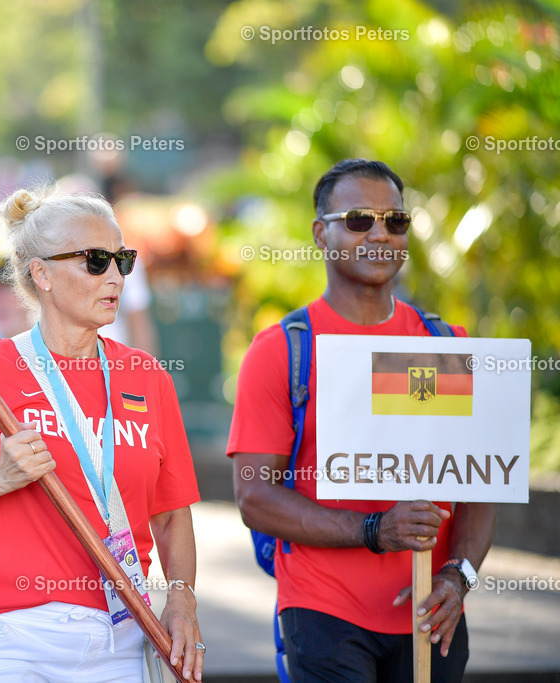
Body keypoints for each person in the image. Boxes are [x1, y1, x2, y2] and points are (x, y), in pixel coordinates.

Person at [0, 186, 204, 682]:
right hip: (4, 632)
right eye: (95, 261)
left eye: (122, 261)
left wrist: (182, 599)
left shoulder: (148, 377)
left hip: (122, 631)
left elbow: (172, 516)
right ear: (40, 273)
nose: (114, 277)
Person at [228, 159, 497, 682]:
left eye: (395, 222)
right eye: (357, 220)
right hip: (324, 613)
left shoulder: (448, 346)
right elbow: (255, 498)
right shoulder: (282, 351)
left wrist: (458, 577)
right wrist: (374, 529)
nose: (380, 233)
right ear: (320, 234)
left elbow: (481, 483)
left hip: (430, 614)